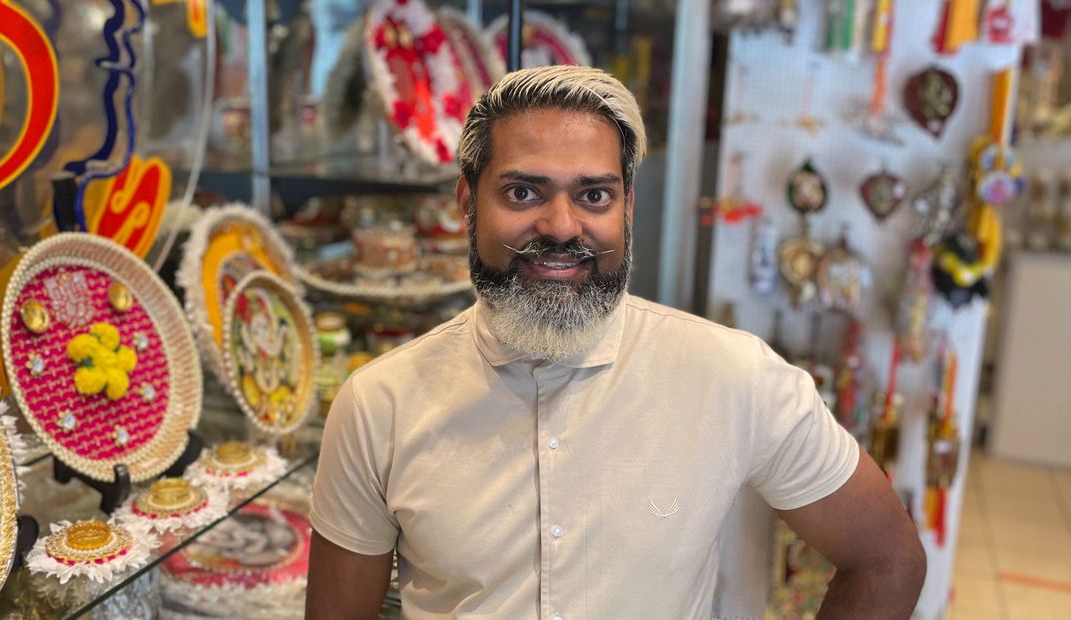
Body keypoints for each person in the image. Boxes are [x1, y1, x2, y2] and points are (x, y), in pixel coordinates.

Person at [306, 65, 926, 619]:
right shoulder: (378, 405)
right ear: (467, 202)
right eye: (523, 192)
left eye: (593, 195)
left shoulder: (736, 376)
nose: (560, 227)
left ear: (627, 208)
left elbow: (888, 560)